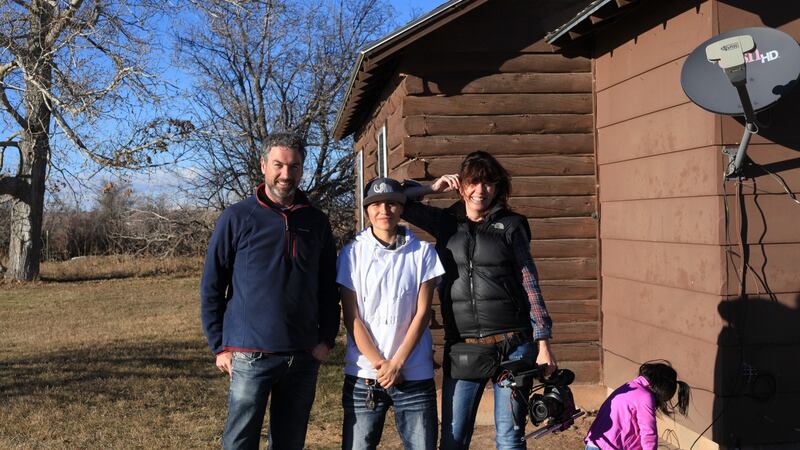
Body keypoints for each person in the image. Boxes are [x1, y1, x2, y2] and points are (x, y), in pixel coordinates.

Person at [401, 150, 557, 450]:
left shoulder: (511, 225)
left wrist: (544, 343)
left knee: (510, 438)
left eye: (488, 183)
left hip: (514, 346)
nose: (480, 191)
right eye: (473, 182)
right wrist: (432, 188)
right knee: (453, 439)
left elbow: (529, 282)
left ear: (498, 187)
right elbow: (400, 201)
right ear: (461, 185)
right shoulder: (445, 221)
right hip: (464, 347)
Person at [200, 132, 340, 450]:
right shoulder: (237, 218)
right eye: (278, 165)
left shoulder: (316, 222)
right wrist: (219, 345)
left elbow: (328, 287)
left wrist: (326, 340)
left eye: (294, 166)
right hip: (251, 354)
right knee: (239, 441)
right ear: (264, 165)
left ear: (302, 169)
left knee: (290, 443)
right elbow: (212, 285)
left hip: (302, 355)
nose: (285, 174)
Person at [337, 177, 445, 450]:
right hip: (364, 374)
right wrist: (380, 364)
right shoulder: (351, 254)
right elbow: (351, 316)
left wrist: (397, 363)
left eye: (392, 203)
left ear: (401, 208)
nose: (384, 210)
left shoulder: (423, 253)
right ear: (366, 211)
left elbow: (422, 314)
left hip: (414, 373)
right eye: (375, 205)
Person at [584, 361, 691, 450]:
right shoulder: (645, 396)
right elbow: (648, 433)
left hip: (596, 443)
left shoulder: (630, 386)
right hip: (609, 446)